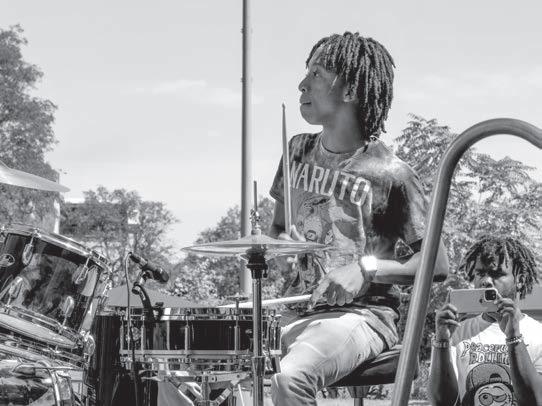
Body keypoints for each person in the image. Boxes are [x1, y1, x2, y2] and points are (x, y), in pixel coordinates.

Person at [268, 31, 449, 406]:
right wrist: (279, 250)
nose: (302, 84)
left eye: (317, 74)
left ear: (350, 90)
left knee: (291, 377)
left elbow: (437, 264)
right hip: (294, 311)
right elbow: (279, 229)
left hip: (363, 316)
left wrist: (366, 269)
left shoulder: (393, 175)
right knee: (193, 366)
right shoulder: (297, 151)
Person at [429, 236, 542, 406]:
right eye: (480, 273)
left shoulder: (538, 334)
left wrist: (514, 337)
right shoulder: (457, 331)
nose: (486, 281)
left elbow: (535, 400)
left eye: (497, 274)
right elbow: (441, 402)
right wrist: (442, 341)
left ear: (520, 280)